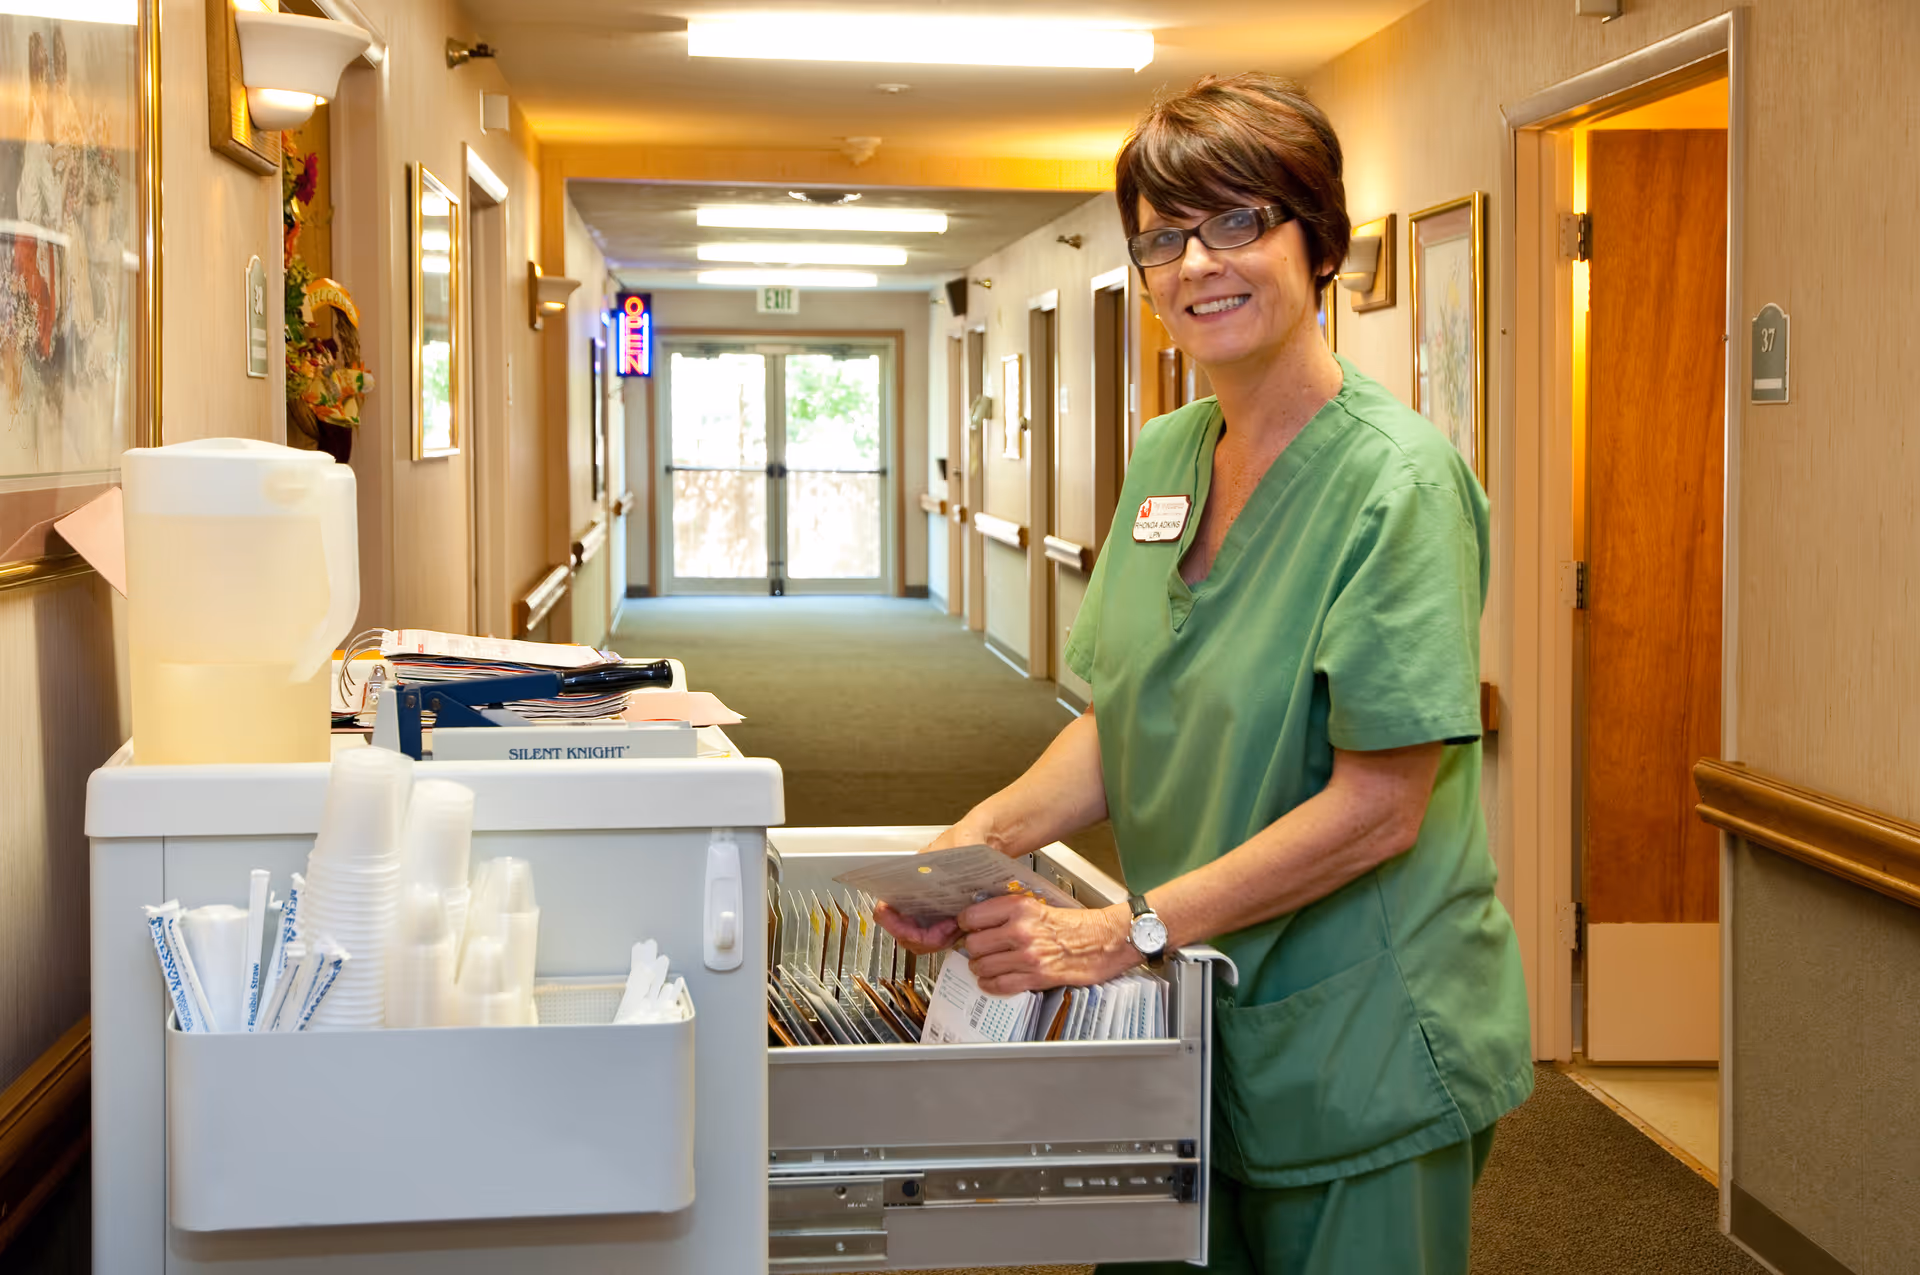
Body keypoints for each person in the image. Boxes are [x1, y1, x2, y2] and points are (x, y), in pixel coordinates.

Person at [876, 72, 1533, 1273]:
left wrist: (1124, 932)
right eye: (1164, 239)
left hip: (1361, 1038)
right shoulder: (1172, 452)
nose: (1197, 266)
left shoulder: (1401, 485)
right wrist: (978, 844)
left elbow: (1380, 808)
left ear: (1319, 239)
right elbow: (1131, 711)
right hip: (1185, 1014)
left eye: (1240, 221)